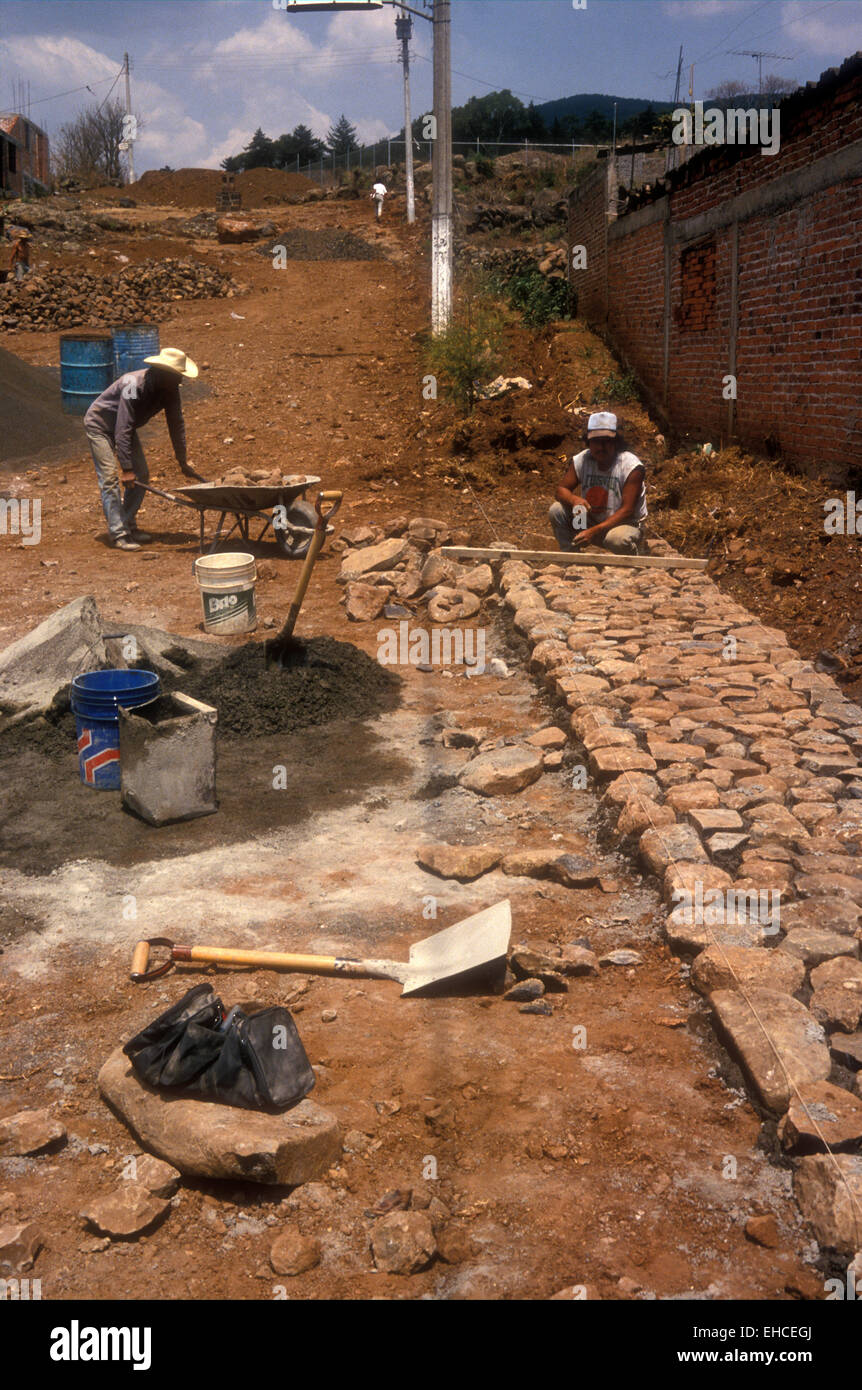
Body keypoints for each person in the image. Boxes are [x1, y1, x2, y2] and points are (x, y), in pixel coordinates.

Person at [83, 346, 203, 551]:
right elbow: (123, 427)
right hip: (101, 426)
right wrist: (127, 468)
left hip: (124, 429)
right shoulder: (132, 384)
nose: (180, 381)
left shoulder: (170, 390)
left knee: (142, 475)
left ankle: (128, 524)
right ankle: (119, 534)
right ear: (162, 373)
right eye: (177, 376)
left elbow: (176, 424)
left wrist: (182, 461)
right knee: (110, 478)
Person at [549, 411, 646, 555]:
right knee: (557, 510)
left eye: (606, 441)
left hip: (622, 524)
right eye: (595, 442)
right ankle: (571, 556)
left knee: (616, 540)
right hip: (588, 522)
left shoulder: (631, 466)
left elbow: (627, 510)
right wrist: (574, 499)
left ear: (615, 442)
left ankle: (635, 554)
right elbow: (561, 489)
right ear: (588, 442)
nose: (601, 447)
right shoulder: (582, 460)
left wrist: (595, 531)